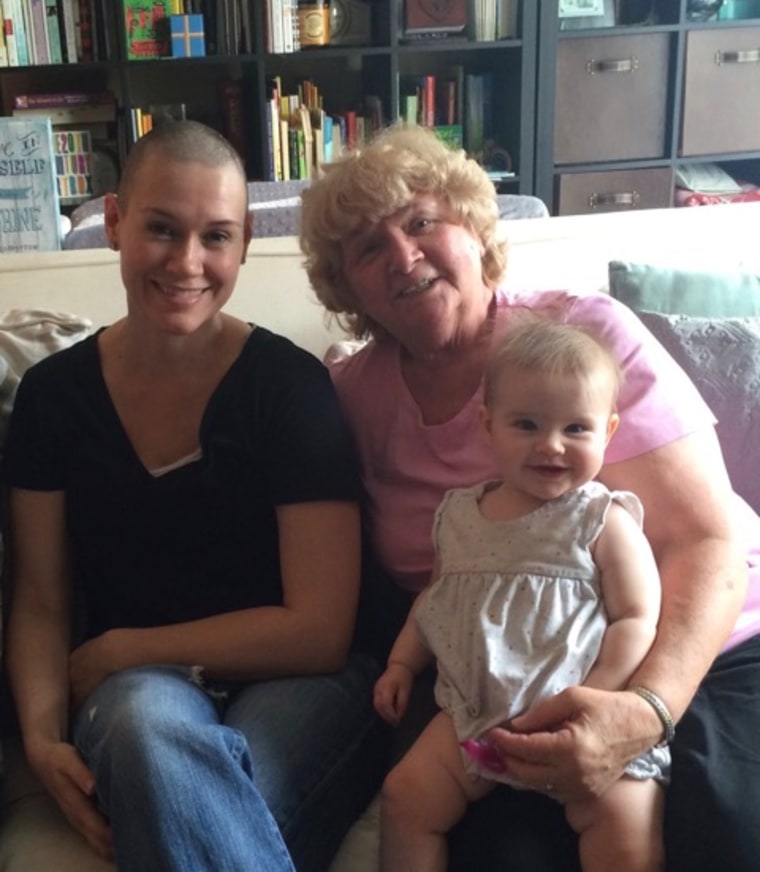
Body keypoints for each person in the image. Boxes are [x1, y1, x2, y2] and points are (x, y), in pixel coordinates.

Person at [299, 123, 760, 871]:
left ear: (475, 230)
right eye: (368, 248)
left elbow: (707, 542)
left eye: (421, 222)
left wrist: (642, 710)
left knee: (729, 835)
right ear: (347, 286)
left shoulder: (582, 336)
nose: (404, 258)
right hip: (503, 681)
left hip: (701, 648)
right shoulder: (350, 397)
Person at [3, 120, 383, 872]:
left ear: (243, 244)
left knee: (198, 793)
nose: (188, 262)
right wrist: (44, 740)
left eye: (216, 236)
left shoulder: (289, 389)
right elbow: (41, 600)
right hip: (142, 699)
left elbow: (320, 629)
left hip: (300, 680)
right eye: (161, 229)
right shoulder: (52, 399)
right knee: (153, 741)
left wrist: (123, 648)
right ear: (114, 221)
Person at [374, 319, 667, 872]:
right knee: (405, 796)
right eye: (527, 424)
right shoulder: (459, 514)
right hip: (475, 710)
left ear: (607, 432)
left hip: (579, 712)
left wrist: (597, 699)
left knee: (625, 823)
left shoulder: (601, 517)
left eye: (576, 429)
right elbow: (434, 601)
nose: (551, 445)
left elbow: (637, 616)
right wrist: (399, 664)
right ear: (488, 426)